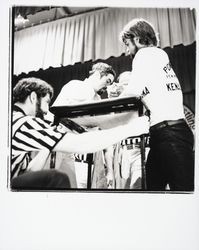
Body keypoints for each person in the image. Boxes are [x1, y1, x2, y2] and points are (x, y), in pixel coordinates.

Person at [11, 77, 149, 190]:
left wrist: (49, 142)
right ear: (33, 97)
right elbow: (82, 143)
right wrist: (130, 129)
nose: (47, 111)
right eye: (46, 102)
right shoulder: (25, 122)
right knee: (57, 178)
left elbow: (29, 173)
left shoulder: (13, 121)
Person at [120, 18, 194, 191]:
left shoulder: (144, 54)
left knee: (182, 193)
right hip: (167, 134)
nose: (127, 51)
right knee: (153, 189)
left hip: (170, 134)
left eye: (127, 44)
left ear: (137, 40)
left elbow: (131, 93)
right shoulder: (157, 56)